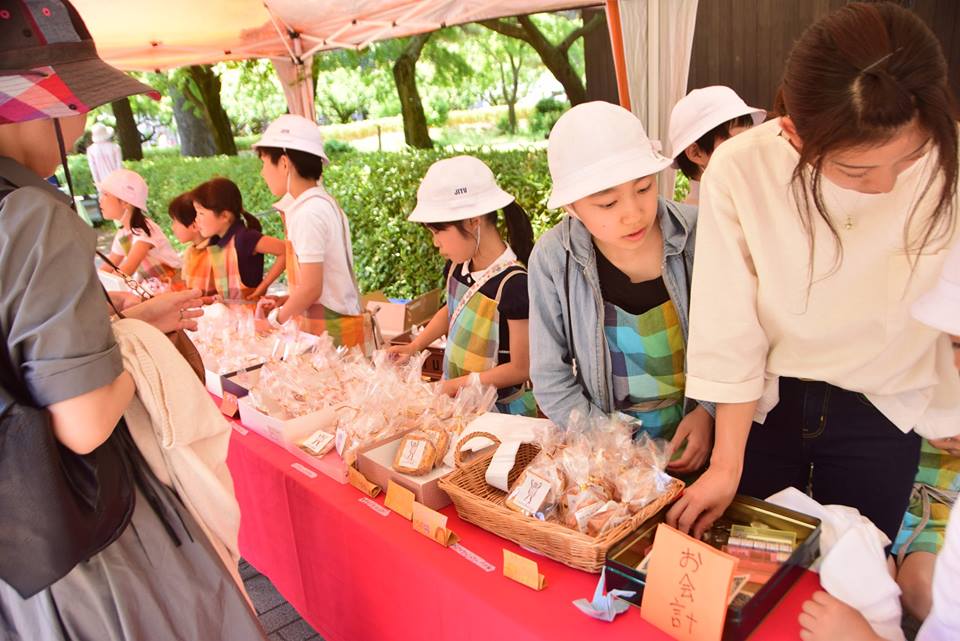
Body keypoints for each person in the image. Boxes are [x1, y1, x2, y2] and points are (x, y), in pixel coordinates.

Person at [0, 0, 266, 638]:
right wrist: (144, 337)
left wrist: (131, 319)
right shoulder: (34, 217)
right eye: (79, 99)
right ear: (42, 98)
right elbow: (85, 421)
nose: (84, 115)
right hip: (94, 545)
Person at [668, 1, 960, 541]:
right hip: (767, 405)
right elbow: (731, 329)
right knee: (750, 567)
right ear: (793, 133)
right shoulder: (741, 169)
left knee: (855, 574)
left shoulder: (951, 159)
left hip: (884, 408)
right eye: (858, 169)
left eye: (908, 159)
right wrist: (726, 466)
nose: (888, 184)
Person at [527, 101, 714, 473]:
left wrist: (708, 413)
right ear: (571, 207)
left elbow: (734, 340)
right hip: (611, 457)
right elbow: (550, 377)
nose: (633, 213)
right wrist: (615, 447)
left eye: (644, 188)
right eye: (607, 203)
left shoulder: (698, 233)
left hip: (703, 441)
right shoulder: (552, 259)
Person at [798, 239, 960, 641]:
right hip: (895, 489)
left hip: (942, 501)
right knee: (867, 573)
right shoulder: (920, 348)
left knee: (921, 591)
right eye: (954, 344)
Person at [389, 156, 537, 415]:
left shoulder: (514, 285)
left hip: (502, 413)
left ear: (473, 221)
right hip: (460, 403)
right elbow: (452, 311)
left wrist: (459, 384)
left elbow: (520, 368)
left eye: (438, 232)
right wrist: (415, 346)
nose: (436, 243)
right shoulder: (459, 266)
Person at [253, 115, 365, 345]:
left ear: (284, 163)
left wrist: (274, 321)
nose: (262, 173)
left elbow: (312, 288)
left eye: (264, 163)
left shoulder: (308, 212)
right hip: (332, 328)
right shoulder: (318, 203)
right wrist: (286, 300)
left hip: (334, 336)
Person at [667, 85, 766, 205]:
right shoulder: (694, 220)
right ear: (696, 153)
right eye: (738, 140)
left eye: (750, 137)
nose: (749, 149)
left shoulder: (743, 202)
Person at [191, 177, 286, 300]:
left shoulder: (245, 238)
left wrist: (263, 287)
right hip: (230, 316)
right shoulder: (216, 241)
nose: (196, 219)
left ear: (224, 216)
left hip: (251, 315)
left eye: (201, 213)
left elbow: (285, 250)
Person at [98, 167, 182, 290]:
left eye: (105, 195)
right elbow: (109, 266)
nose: (100, 200)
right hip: (156, 288)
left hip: (175, 286)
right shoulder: (123, 233)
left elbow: (126, 271)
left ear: (125, 202)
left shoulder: (144, 231)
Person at [168, 191, 213, 293]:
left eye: (174, 221)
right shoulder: (190, 252)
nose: (172, 227)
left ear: (194, 226)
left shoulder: (215, 252)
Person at [85, 122, 122, 187]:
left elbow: (93, 169)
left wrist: (98, 185)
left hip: (102, 184)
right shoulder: (116, 147)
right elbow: (119, 167)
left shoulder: (90, 150)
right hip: (116, 182)